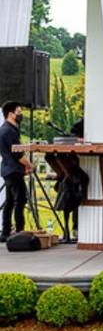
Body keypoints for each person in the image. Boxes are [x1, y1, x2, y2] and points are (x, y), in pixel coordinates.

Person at [0, 101, 31, 243]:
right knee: (20, 200)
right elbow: (18, 154)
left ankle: (6, 231)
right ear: (10, 114)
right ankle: (19, 230)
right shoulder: (9, 131)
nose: (21, 115)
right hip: (13, 169)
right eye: (19, 112)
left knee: (10, 201)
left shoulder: (7, 129)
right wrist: (30, 165)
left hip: (9, 169)